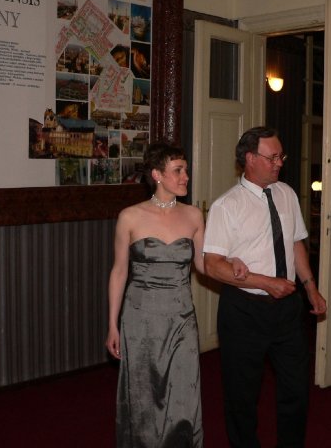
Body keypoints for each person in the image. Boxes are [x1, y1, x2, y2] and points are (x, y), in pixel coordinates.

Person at [105, 141, 247, 448]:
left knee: (183, 391)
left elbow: (204, 265)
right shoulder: (130, 216)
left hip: (181, 318)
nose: (186, 177)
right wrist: (113, 325)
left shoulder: (194, 215)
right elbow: (119, 272)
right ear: (157, 174)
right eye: (178, 170)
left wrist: (230, 260)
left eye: (186, 170)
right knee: (144, 393)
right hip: (140, 319)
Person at [203, 126, 328, 448]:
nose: (279, 163)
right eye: (272, 157)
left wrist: (310, 288)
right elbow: (212, 264)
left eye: (281, 156)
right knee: (242, 395)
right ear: (250, 158)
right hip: (244, 310)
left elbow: (295, 243)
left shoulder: (286, 194)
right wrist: (265, 282)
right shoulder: (226, 206)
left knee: (296, 388)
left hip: (288, 309)